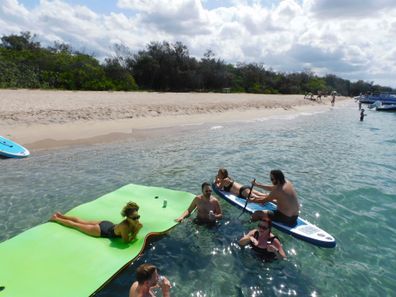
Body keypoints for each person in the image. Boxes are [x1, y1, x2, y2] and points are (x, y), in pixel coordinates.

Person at [50, 201, 143, 243]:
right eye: (134, 218)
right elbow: (126, 242)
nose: (137, 220)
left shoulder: (133, 222)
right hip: (100, 231)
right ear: (127, 218)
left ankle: (60, 215)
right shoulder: (124, 227)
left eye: (138, 217)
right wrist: (136, 231)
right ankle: (57, 218)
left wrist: (136, 227)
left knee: (82, 221)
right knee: (76, 225)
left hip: (107, 223)